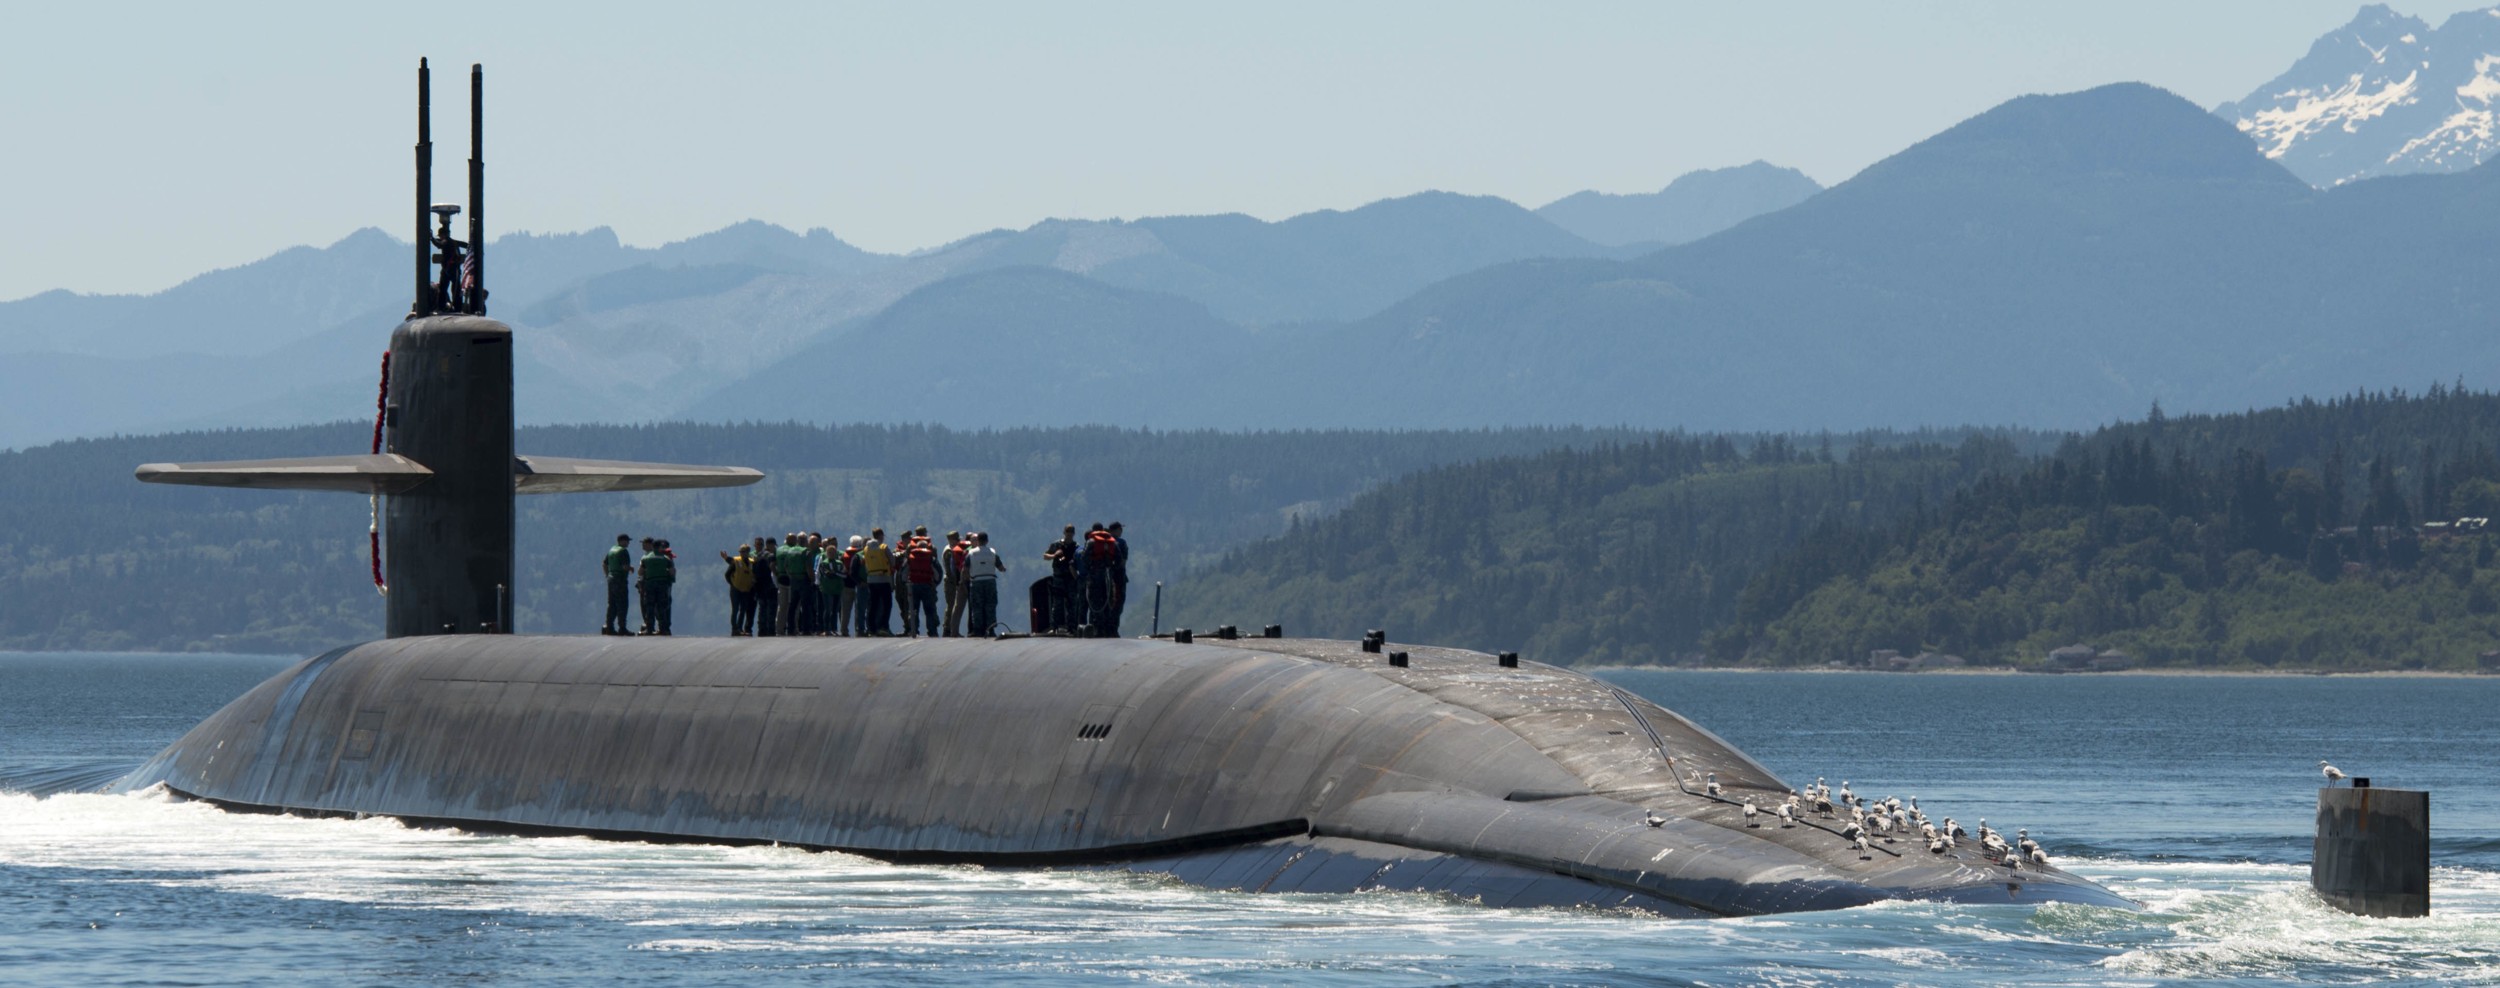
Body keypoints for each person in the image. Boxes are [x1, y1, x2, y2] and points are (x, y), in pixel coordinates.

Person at [964, 531, 1005, 636]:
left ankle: (978, 630)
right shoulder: (992, 552)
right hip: (990, 581)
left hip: (976, 582)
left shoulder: (971, 553)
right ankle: (990, 629)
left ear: (977, 541)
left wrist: (968, 578)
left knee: (977, 606)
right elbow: (1001, 568)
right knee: (990, 605)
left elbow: (966, 568)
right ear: (987, 541)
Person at [1083, 522, 1119, 637]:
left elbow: (1084, 558)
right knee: (1107, 600)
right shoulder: (1112, 541)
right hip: (1108, 575)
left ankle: (1097, 629)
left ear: (1093, 530)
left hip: (1095, 575)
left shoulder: (1091, 541)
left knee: (1095, 602)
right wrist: (1111, 568)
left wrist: (1090, 568)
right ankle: (1108, 629)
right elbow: (1119, 559)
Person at [905, 526, 941, 637]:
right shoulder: (931, 555)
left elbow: (903, 572)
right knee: (929, 610)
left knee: (913, 609)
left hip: (913, 585)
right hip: (927, 585)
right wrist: (935, 583)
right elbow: (938, 573)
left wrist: (905, 583)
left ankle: (913, 630)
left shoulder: (910, 553)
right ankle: (932, 631)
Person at [1044, 525, 1080, 634]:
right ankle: (1055, 627)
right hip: (1059, 578)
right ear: (1064, 532)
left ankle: (1072, 627)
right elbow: (1045, 556)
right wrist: (1055, 555)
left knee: (1072, 604)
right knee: (1057, 604)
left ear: (1074, 533)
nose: (1069, 534)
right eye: (1068, 531)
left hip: (1070, 579)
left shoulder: (1076, 546)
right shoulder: (1056, 545)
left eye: (1071, 532)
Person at [720, 544, 758, 636]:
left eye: (744, 552)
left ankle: (740, 628)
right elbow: (727, 574)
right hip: (735, 589)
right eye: (740, 552)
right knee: (735, 609)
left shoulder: (751, 563)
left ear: (748, 553)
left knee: (743, 609)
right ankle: (734, 629)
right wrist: (732, 584)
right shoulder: (736, 561)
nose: (741, 553)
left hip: (745, 590)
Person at [861, 528, 894, 635]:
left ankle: (871, 628)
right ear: (880, 536)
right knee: (887, 604)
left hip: (871, 580)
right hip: (884, 579)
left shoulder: (866, 549)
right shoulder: (884, 547)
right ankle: (883, 626)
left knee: (873, 604)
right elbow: (892, 561)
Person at [640, 538, 676, 635]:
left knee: (650, 607)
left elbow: (640, 572)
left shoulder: (646, 558)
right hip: (662, 585)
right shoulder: (666, 558)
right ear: (660, 547)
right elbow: (672, 572)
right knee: (662, 607)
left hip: (650, 584)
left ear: (652, 546)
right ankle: (662, 628)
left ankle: (649, 629)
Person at [602, 533, 633, 635]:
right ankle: (622, 627)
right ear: (622, 541)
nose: (628, 543)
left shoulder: (611, 550)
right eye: (627, 541)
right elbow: (624, 567)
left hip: (611, 579)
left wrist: (607, 575)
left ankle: (609, 627)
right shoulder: (623, 551)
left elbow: (604, 563)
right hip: (620, 579)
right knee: (622, 604)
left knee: (612, 604)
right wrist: (630, 568)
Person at [1105, 521, 1131, 637]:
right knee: (1118, 602)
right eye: (1120, 529)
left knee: (1106, 601)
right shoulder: (1121, 542)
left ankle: (1102, 627)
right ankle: (1113, 629)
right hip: (1118, 577)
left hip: (1103, 577)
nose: (1121, 531)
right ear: (1115, 530)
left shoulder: (1102, 542)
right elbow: (1123, 562)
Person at [941, 531, 969, 638]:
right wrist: (956, 582)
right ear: (951, 540)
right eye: (956, 539)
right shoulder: (949, 551)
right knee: (951, 605)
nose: (958, 541)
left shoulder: (951, 550)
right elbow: (950, 570)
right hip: (950, 582)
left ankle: (949, 628)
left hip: (952, 581)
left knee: (952, 605)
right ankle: (947, 629)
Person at [752, 536, 781, 637]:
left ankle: (762, 630)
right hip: (770, 585)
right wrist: (778, 576)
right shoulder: (770, 555)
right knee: (771, 609)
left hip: (759, 586)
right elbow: (773, 567)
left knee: (762, 609)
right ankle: (770, 630)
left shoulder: (756, 556)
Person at [844, 535, 869, 636]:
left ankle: (865, 629)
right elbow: (852, 571)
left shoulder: (847, 555)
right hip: (864, 585)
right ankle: (863, 629)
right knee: (864, 608)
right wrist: (860, 582)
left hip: (867, 585)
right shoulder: (859, 556)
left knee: (866, 609)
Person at [633, 536, 659, 634]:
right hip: (651, 582)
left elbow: (641, 572)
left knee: (647, 605)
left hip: (646, 583)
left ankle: (648, 624)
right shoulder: (655, 555)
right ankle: (652, 624)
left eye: (644, 543)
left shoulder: (647, 556)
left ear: (649, 544)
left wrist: (640, 582)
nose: (642, 545)